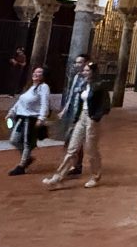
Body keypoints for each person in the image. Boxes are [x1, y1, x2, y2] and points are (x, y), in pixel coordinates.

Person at [44, 62, 109, 190]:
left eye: (87, 70)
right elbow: (78, 101)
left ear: (93, 72)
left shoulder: (99, 86)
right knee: (72, 148)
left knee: (91, 149)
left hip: (92, 119)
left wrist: (96, 117)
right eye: (84, 70)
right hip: (82, 118)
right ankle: (58, 177)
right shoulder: (85, 85)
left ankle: (95, 176)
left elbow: (105, 105)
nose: (84, 72)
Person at [6, 66, 51, 175]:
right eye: (35, 72)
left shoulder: (43, 87)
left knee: (27, 143)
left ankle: (22, 165)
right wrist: (11, 112)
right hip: (21, 117)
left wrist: (41, 118)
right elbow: (20, 102)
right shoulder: (30, 87)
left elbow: (45, 103)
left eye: (39, 72)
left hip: (31, 118)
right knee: (14, 140)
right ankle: (27, 158)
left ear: (43, 75)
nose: (36, 74)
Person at [61, 54, 89, 175]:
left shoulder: (88, 79)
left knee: (72, 139)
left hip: (81, 113)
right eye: (76, 62)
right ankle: (76, 165)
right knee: (71, 139)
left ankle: (75, 166)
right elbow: (71, 93)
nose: (78, 65)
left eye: (80, 62)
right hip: (72, 111)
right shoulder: (77, 77)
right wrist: (65, 109)